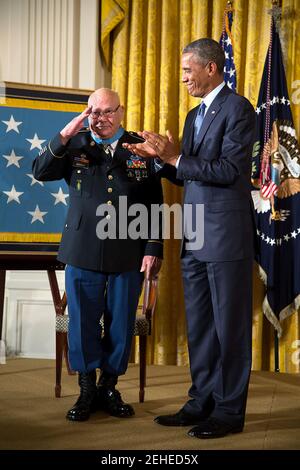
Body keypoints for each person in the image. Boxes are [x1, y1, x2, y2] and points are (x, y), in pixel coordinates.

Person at [123, 38, 256, 439]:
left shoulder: (239, 109)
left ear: (210, 69)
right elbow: (188, 173)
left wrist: (173, 157)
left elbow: (229, 170)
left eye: (187, 71)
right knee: (199, 325)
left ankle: (230, 412)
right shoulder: (192, 115)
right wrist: (157, 160)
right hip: (194, 233)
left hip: (226, 236)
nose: (183, 78)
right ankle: (202, 401)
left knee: (229, 327)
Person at [32, 88, 173, 422]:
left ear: (120, 112)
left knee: (121, 321)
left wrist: (154, 247)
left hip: (129, 250)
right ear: (87, 113)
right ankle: (86, 390)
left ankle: (109, 387)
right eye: (94, 112)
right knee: (81, 322)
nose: (102, 119)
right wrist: (66, 133)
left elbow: (156, 201)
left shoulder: (140, 146)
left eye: (108, 112)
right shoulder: (75, 143)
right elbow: (40, 170)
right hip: (82, 249)